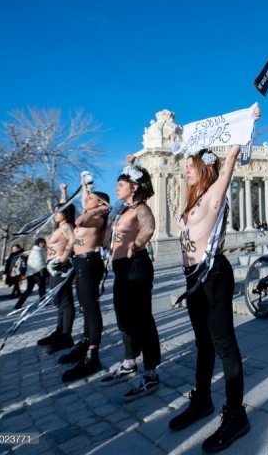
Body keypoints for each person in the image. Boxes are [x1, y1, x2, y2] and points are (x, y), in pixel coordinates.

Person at [168, 104, 260, 454]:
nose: (184, 171)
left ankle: (236, 415)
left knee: (224, 346)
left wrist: (241, 134)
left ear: (204, 168)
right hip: (194, 281)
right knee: (203, 344)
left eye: (189, 167)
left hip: (213, 276)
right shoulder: (192, 202)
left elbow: (229, 166)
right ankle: (202, 400)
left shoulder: (213, 197)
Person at [100, 156, 161, 401]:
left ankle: (151, 372)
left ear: (133, 187)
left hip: (136, 267)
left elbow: (149, 227)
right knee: (124, 318)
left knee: (142, 318)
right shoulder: (122, 210)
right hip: (121, 269)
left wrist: (133, 246)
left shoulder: (140, 207)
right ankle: (129, 362)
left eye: (121, 184)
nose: (117, 188)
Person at [60, 175, 111, 382]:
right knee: (84, 307)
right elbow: (83, 203)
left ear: (100, 203)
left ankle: (93, 355)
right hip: (80, 262)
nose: (86, 200)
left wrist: (101, 208)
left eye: (91, 199)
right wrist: (83, 186)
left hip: (90, 263)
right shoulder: (91, 211)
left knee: (90, 308)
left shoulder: (96, 217)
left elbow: (80, 220)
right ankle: (84, 344)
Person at [37, 184, 76, 355]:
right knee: (58, 300)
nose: (55, 213)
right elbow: (62, 205)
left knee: (65, 300)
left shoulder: (67, 226)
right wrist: (63, 193)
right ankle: (59, 331)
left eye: (58, 211)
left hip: (60, 265)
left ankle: (66, 336)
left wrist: (65, 256)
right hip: (52, 266)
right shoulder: (59, 227)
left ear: (66, 214)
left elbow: (73, 240)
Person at [13, 238, 48, 310]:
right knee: (41, 287)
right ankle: (42, 302)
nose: (43, 244)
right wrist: (45, 268)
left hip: (31, 273)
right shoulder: (38, 251)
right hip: (36, 273)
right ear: (38, 243)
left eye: (44, 242)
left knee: (29, 290)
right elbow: (40, 262)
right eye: (41, 242)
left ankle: (18, 305)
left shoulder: (36, 250)